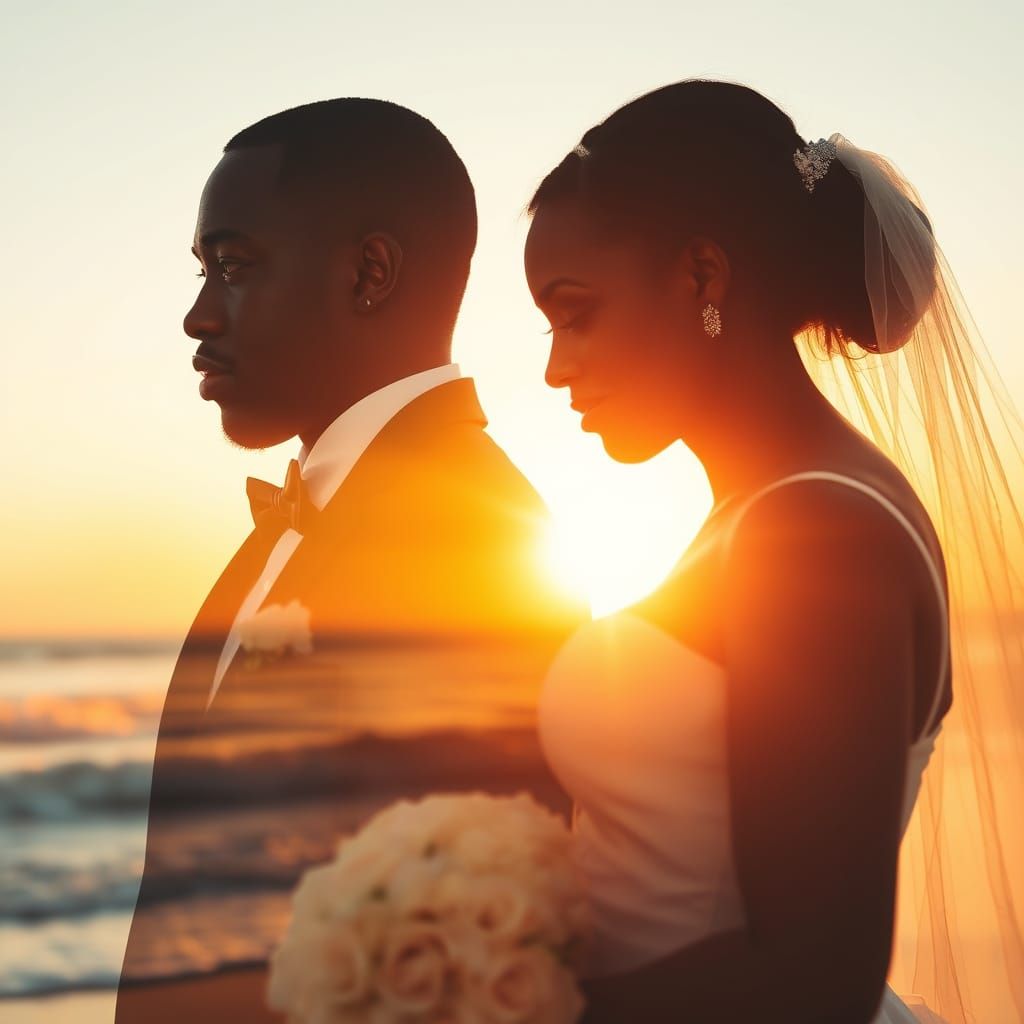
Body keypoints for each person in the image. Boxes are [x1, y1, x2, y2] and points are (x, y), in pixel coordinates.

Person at [525, 80, 1024, 1024]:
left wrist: (506, 1000)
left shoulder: (818, 542)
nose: (555, 367)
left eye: (576, 312)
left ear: (704, 277)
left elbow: (810, 984)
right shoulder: (760, 516)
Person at [115, 98, 585, 1023]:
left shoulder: (477, 549)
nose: (197, 314)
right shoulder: (292, 528)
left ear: (370, 273)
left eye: (235, 266)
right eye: (204, 271)